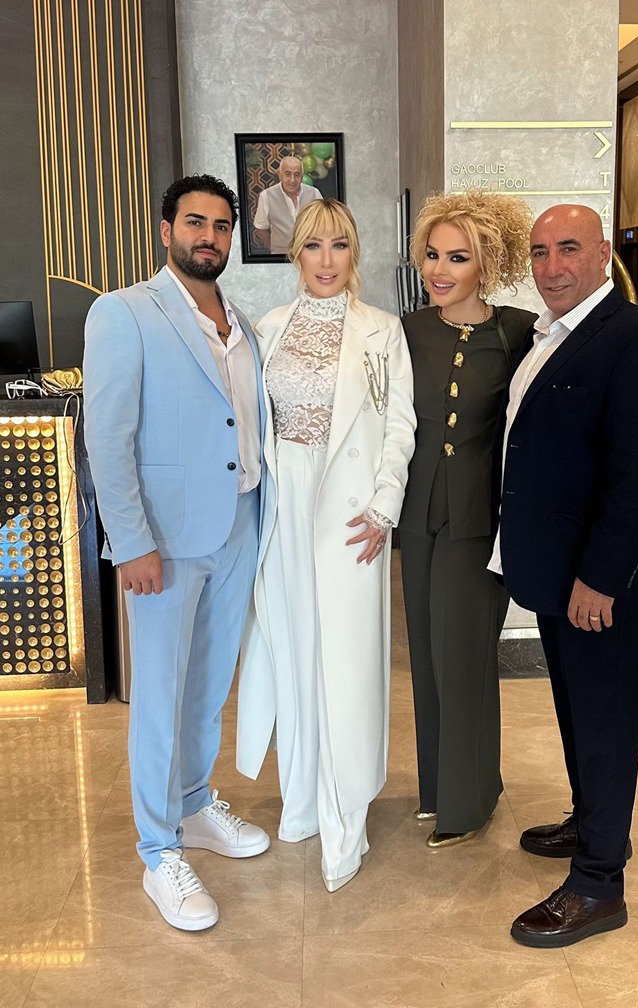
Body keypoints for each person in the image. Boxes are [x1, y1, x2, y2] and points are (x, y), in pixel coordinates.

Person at [83, 174, 273, 932]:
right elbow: (108, 438)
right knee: (159, 695)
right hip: (163, 543)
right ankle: (159, 850)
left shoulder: (241, 320)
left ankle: (193, 806)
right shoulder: (124, 311)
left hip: (238, 524)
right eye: (196, 222)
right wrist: (131, 542)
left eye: (222, 226)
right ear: (167, 231)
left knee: (208, 685)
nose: (209, 237)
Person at [490, 204, 638, 948]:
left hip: (601, 581)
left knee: (605, 719)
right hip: (555, 570)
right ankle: (591, 822)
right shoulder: (549, 335)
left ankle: (600, 882)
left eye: (568, 249)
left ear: (604, 254)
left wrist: (601, 579)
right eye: (540, 252)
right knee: (575, 708)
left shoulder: (637, 340)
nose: (552, 267)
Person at [236, 199, 416, 891]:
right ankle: (305, 801)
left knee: (347, 660)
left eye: (340, 245)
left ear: (354, 252)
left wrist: (385, 504)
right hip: (285, 504)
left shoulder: (382, 330)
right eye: (314, 245)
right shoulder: (269, 327)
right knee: (295, 651)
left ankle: (347, 816)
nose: (327, 259)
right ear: (296, 253)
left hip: (351, 513)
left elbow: (400, 425)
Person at [399, 190, 536, 848]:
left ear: (488, 263)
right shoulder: (405, 331)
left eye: (458, 257)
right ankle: (439, 790)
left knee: (464, 657)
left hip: (480, 520)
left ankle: (468, 803)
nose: (440, 269)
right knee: (427, 654)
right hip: (417, 514)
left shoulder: (519, 331)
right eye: (432, 255)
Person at [253, 155, 322, 253]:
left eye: (297, 175)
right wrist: (275, 249)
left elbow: (324, 225)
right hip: (280, 256)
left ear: (302, 177)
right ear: (280, 175)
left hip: (310, 254)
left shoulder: (314, 194)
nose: (292, 180)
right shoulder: (266, 196)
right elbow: (261, 229)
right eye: (288, 174)